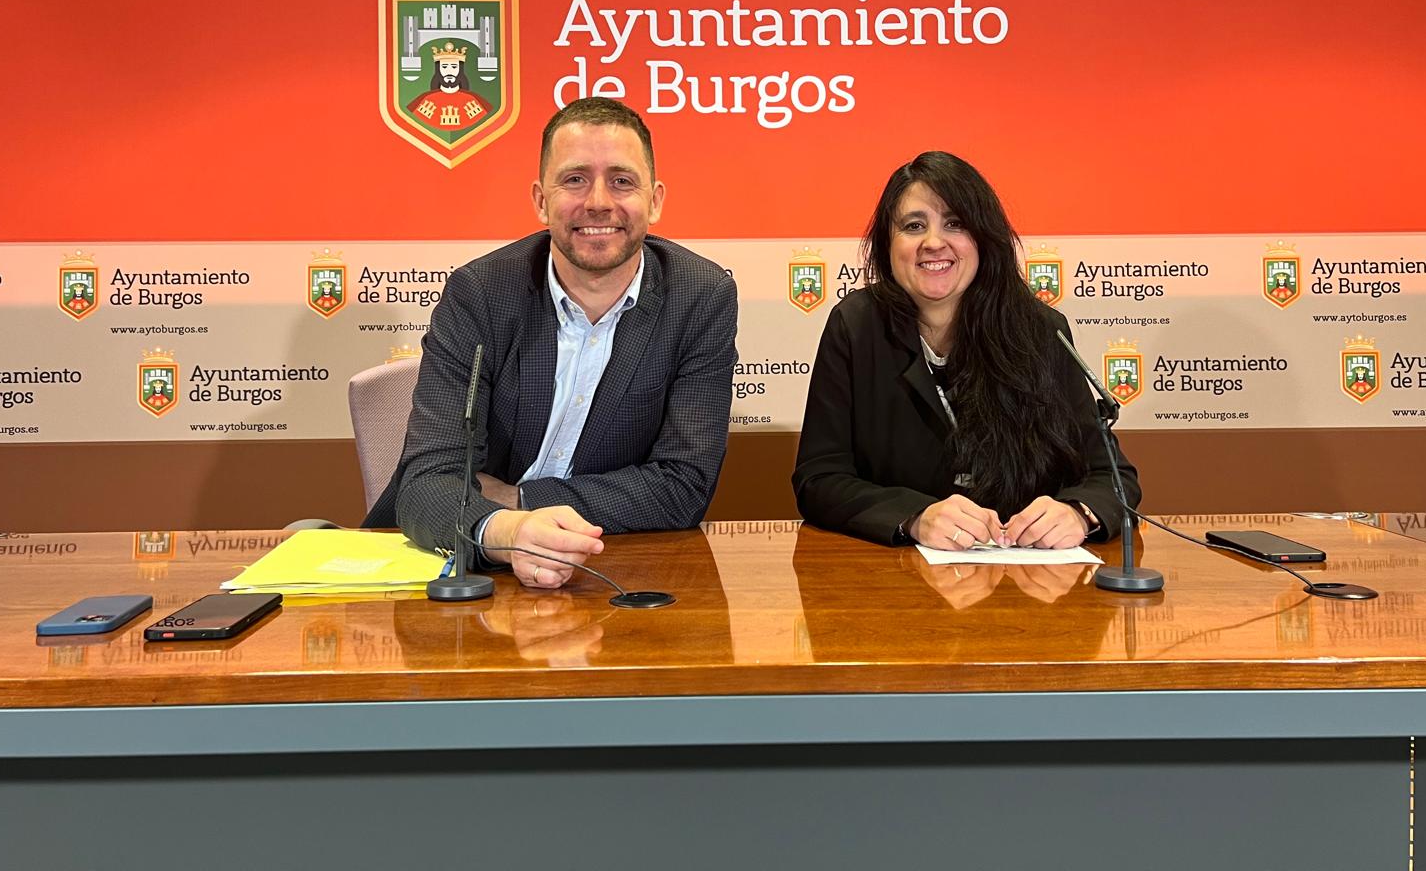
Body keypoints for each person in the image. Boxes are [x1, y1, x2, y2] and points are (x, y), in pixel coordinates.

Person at [364, 97, 738, 589]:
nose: (599, 201)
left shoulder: (700, 296)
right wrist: (505, 530)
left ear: (655, 199)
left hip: (604, 567)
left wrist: (522, 500)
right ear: (541, 199)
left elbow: (682, 486)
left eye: (622, 181)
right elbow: (428, 480)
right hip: (460, 564)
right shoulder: (480, 293)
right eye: (575, 179)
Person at [793, 151, 1140, 551]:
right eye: (913, 225)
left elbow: (1114, 476)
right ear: (888, 244)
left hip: (1030, 582)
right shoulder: (855, 326)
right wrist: (915, 516)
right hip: (902, 584)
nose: (934, 242)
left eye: (955, 223)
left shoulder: (1042, 330)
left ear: (983, 239)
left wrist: (1079, 512)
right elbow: (819, 478)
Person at [408, 42, 490, 133]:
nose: (449, 71)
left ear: (460, 70)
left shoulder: (474, 100)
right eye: (444, 67)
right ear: (438, 70)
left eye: (454, 67)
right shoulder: (425, 100)